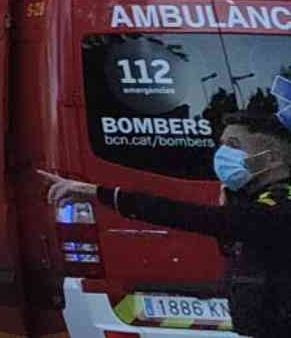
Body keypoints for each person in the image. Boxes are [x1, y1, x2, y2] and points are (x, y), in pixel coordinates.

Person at [41, 110, 291, 338]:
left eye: (234, 146)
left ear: (271, 159)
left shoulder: (279, 208)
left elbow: (187, 215)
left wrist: (99, 193)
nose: (223, 154)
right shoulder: (254, 202)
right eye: (222, 144)